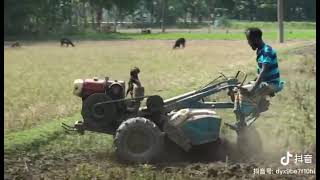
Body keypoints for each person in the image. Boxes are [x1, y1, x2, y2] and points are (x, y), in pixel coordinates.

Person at [232, 27, 284, 128]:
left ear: (255, 38)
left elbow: (264, 71)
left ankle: (249, 115)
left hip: (271, 84)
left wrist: (252, 88)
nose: (248, 43)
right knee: (237, 89)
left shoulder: (266, 51)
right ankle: (241, 120)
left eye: (249, 40)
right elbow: (260, 73)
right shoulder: (260, 51)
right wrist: (249, 83)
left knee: (244, 92)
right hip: (265, 82)